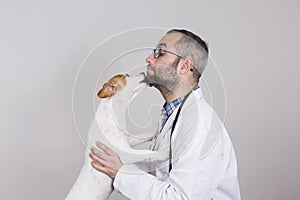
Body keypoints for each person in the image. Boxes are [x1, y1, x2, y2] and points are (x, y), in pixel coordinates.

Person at [89, 29, 241, 199]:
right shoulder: (172, 115)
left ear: (185, 66)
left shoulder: (201, 126)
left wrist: (121, 173)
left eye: (160, 53)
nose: (148, 59)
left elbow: (180, 197)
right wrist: (116, 165)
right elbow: (158, 174)